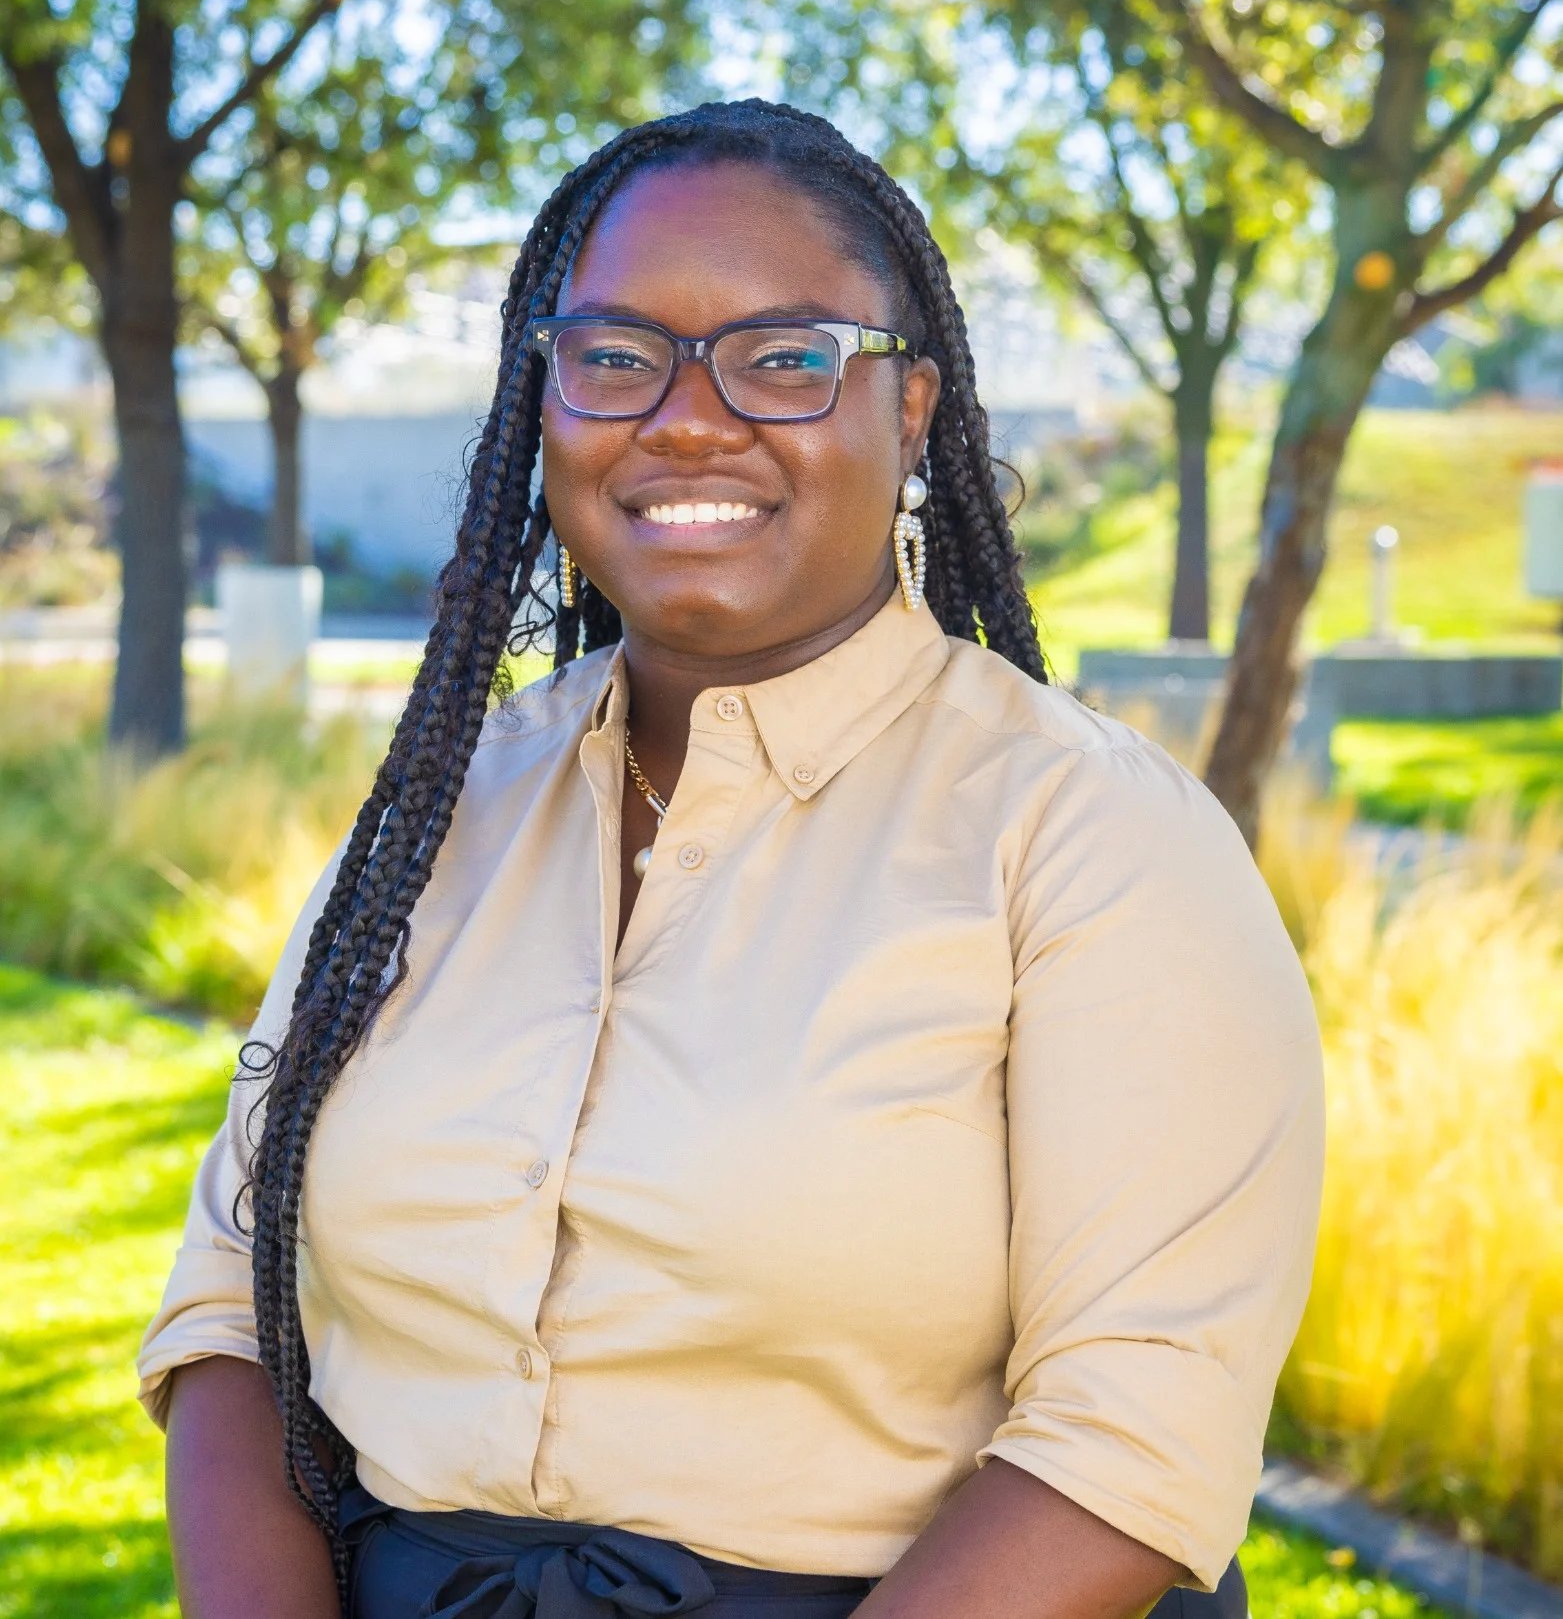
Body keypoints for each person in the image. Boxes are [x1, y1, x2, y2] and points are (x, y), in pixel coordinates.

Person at [136, 98, 1326, 1619]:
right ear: (546, 400)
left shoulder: (1090, 838)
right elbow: (231, 1309)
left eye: (783, 358)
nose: (687, 419)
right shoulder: (438, 813)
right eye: (615, 356)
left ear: (912, 410)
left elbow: (1133, 1436)